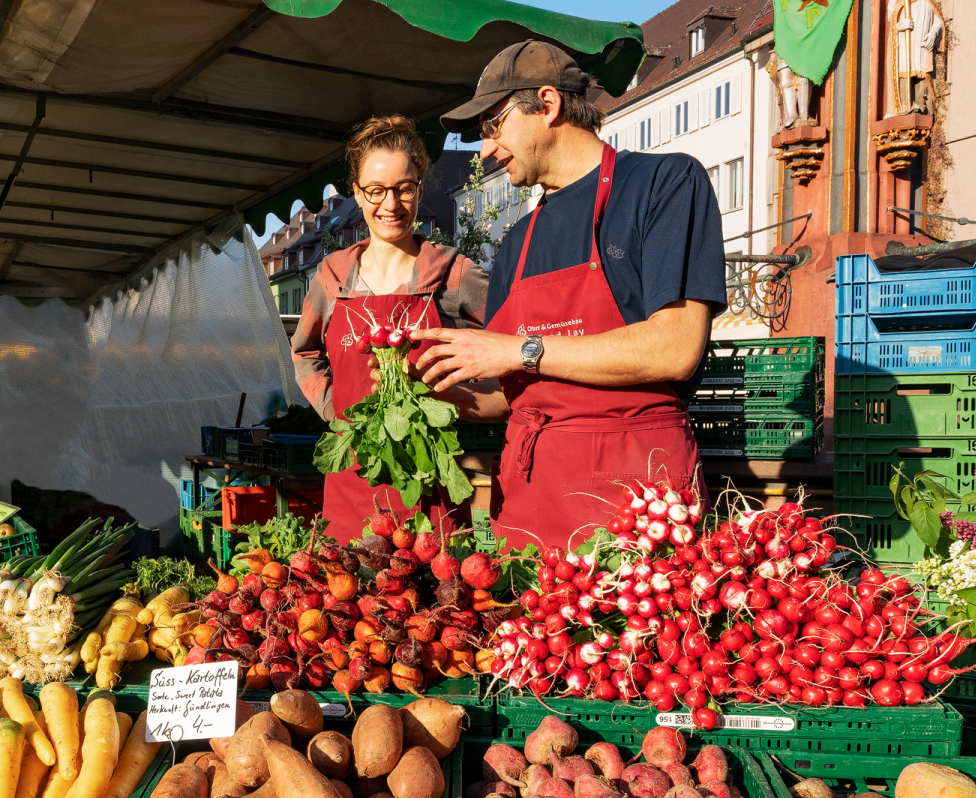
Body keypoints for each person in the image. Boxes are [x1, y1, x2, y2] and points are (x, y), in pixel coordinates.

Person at [410, 40, 727, 552]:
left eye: (492, 126)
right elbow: (514, 392)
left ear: (548, 105)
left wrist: (518, 348)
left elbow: (676, 347)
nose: (485, 149)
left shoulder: (663, 184)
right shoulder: (514, 243)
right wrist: (434, 390)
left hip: (636, 503)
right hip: (532, 503)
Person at [289, 115, 492, 542]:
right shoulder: (332, 278)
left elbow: (510, 343)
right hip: (352, 479)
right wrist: (335, 409)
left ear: (420, 188)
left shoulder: (454, 273)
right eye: (376, 191)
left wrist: (463, 398)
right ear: (358, 193)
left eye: (405, 188)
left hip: (427, 481)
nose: (391, 205)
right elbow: (304, 353)